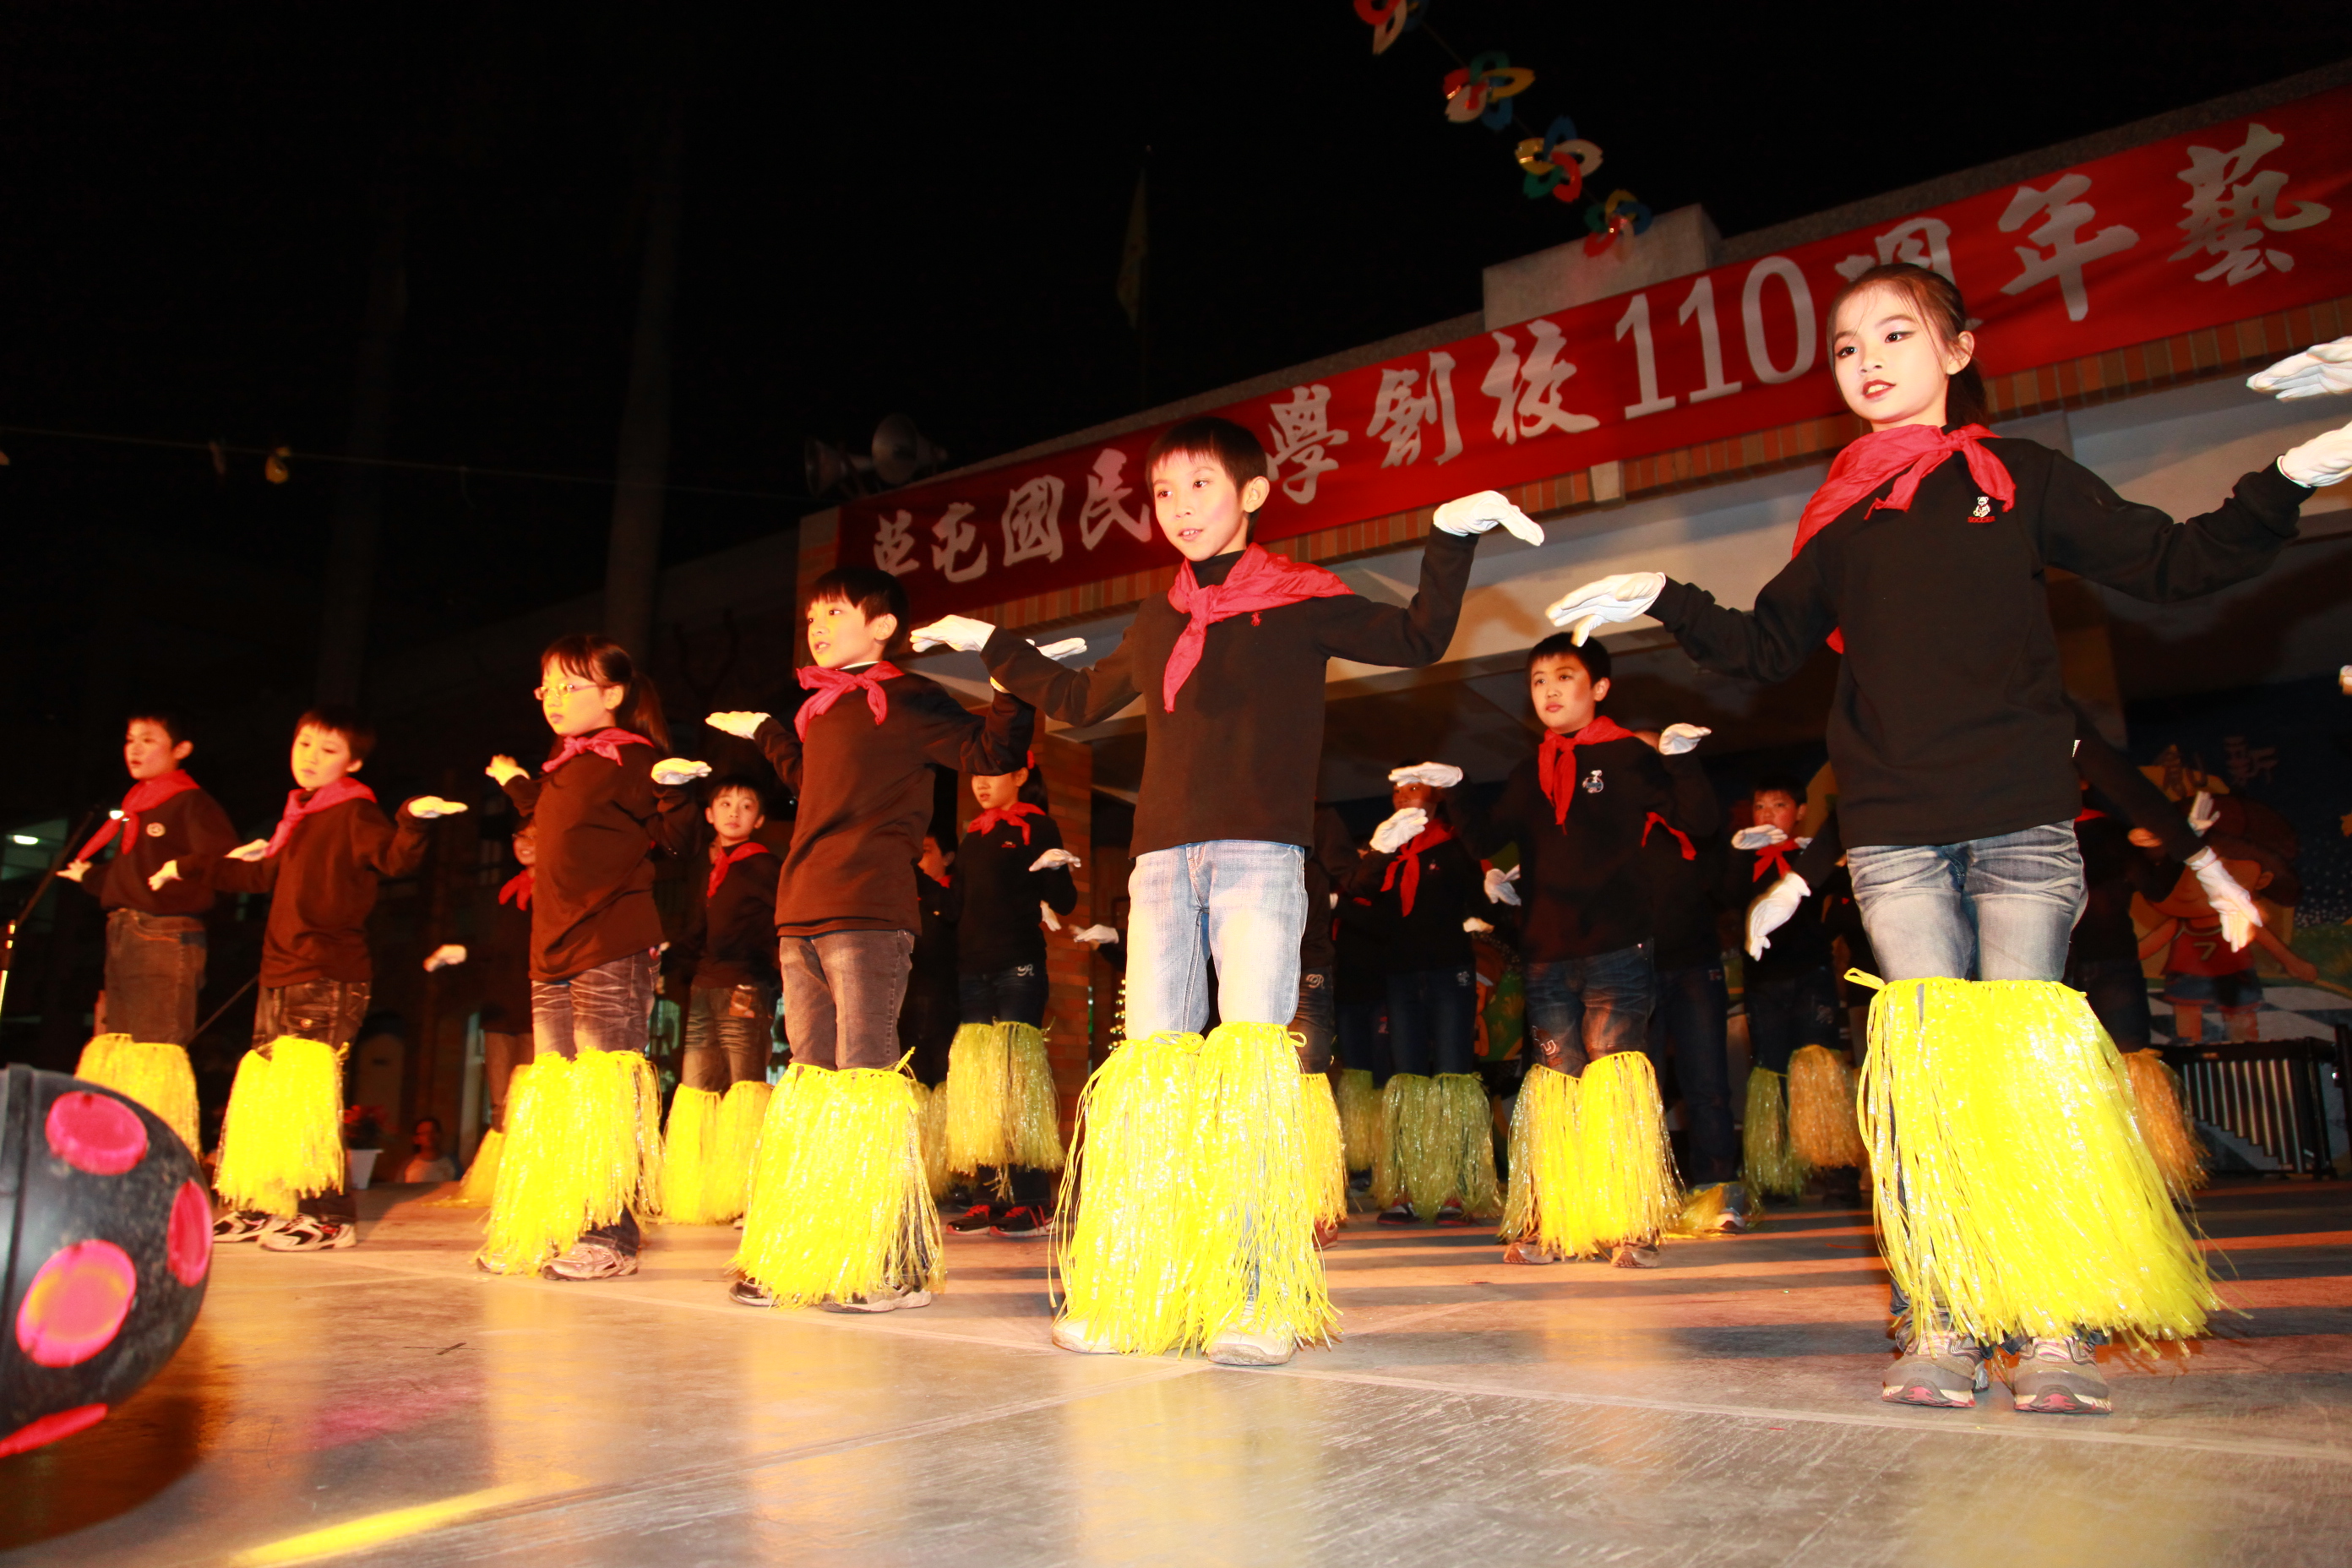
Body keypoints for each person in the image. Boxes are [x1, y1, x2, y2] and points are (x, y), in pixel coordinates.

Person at [1550, 263, 2348, 1414]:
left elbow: (2178, 564)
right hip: (1897, 834)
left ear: (1959, 350)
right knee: (1929, 1080)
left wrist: (2299, 470)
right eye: (1846, 347)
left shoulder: (2019, 477)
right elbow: (1764, 645)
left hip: (2021, 818)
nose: (1867, 360)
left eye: (1895, 334)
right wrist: (1665, 592)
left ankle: (2054, 1322)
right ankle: (1943, 1313)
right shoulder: (1844, 515)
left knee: (2022, 1070)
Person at [915, 418, 1539, 1365]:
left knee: (1251, 1067)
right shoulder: (1159, 614)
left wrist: (1449, 537)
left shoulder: (1300, 598)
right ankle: (1137, 1289)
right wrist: (995, 643)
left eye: (1200, 485)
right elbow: (1079, 700)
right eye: (1164, 492)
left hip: (1258, 856)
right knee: (1154, 1071)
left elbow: (1417, 635)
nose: (1179, 507)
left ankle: (1257, 1293)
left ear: (1252, 494)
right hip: (1161, 863)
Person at [708, 564, 1032, 1312]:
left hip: (868, 908)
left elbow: (989, 753)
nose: (817, 627)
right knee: (813, 1083)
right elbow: (805, 778)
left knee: (866, 1080)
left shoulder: (910, 697)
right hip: (801, 908)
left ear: (883, 626)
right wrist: (765, 731)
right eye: (812, 617)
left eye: (835, 613)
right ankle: (806, 1247)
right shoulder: (819, 709)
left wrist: (1007, 677)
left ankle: (895, 1260)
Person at [158, 705, 465, 1250]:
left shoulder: (354, 812)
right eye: (304, 744)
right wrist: (189, 865)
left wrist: (413, 820)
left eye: (328, 750)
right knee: (266, 1094)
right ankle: (262, 1202)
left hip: (327, 971)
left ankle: (328, 1215)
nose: (311, 758)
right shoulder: (299, 816)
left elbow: (395, 860)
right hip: (279, 971)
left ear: (354, 762)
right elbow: (257, 874)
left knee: (306, 1095)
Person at [1468, 633, 1718, 1269]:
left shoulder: (1627, 756)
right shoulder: (1528, 772)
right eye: (1538, 681)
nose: (1549, 690)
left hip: (1617, 947)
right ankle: (1557, 1224)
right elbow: (1485, 832)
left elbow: (1699, 822)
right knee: (1555, 1088)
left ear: (1599, 688)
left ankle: (1633, 1224)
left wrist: (1682, 762)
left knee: (1615, 1081)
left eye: (1565, 676)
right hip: (1545, 952)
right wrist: (1452, 810)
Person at [477, 634, 705, 1281]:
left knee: (603, 1090)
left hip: (610, 941)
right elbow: (558, 822)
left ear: (612, 695)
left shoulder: (632, 758)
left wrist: (676, 790)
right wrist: (515, 782)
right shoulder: (567, 764)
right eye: (546, 686)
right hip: (552, 946)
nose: (554, 698)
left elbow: (677, 842)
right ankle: (552, 1221)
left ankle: (610, 1235)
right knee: (557, 1091)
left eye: (570, 685)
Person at [1349, 762, 1502, 1228]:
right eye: (1396, 789)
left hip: (1449, 972)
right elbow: (1358, 898)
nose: (1402, 795)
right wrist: (1379, 853)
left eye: (1413, 787)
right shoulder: (1387, 848)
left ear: (1435, 795)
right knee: (1407, 1079)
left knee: (1454, 1076)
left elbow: (1483, 902)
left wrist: (1495, 896)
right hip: (1399, 976)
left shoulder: (1456, 845)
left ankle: (1458, 1188)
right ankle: (1408, 1188)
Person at [941, 757, 1077, 1239]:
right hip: (972, 971)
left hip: (1018, 967)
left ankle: (1033, 1202)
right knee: (979, 1083)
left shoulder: (1038, 826)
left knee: (1017, 1081)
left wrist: (1055, 868)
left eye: (993, 772)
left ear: (1020, 776)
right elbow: (954, 908)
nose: (980, 782)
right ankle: (990, 1196)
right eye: (976, 773)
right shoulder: (973, 834)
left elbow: (1064, 901)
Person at [60, 710, 237, 1046]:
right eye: (130, 740)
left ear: (181, 749)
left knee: (155, 1046)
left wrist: (181, 872)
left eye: (148, 740)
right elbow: (135, 875)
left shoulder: (192, 803)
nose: (134, 749)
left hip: (166, 931)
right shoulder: (139, 803)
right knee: (122, 1043)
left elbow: (222, 863)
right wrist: (90, 876)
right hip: (125, 929)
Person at [661, 775, 783, 1225]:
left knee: (745, 1085)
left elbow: (782, 922)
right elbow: (696, 930)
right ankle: (697, 1193)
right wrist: (667, 956)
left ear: (760, 819)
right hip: (703, 986)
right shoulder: (710, 866)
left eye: (746, 805)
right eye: (726, 804)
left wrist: (775, 975)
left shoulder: (763, 864)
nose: (735, 812)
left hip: (745, 986)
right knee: (696, 1086)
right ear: (709, 814)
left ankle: (750, 1197)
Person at [1724, 776, 1851, 1200]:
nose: (1768, 814)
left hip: (1811, 974)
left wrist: (1827, 858)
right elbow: (1725, 897)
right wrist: (1738, 852)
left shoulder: (1811, 856)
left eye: (1778, 805)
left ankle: (1835, 1169)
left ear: (1799, 811)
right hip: (1762, 982)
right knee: (1770, 1071)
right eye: (1760, 806)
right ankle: (1776, 1175)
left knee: (1819, 1069)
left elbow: (1844, 890)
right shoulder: (1744, 859)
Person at [1634, 787, 1736, 1188]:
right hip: (1633, 969)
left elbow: (1727, 890)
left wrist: (1740, 855)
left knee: (1708, 1084)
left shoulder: (1696, 823)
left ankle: (1717, 1188)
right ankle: (1644, 1191)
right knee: (1640, 1088)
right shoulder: (1615, 823)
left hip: (1695, 965)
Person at [403, 1117, 457, 1184]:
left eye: (433, 1132)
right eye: (424, 1133)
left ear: (441, 1135)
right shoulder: (407, 1165)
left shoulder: (453, 1163)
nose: (429, 1136)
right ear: (416, 1139)